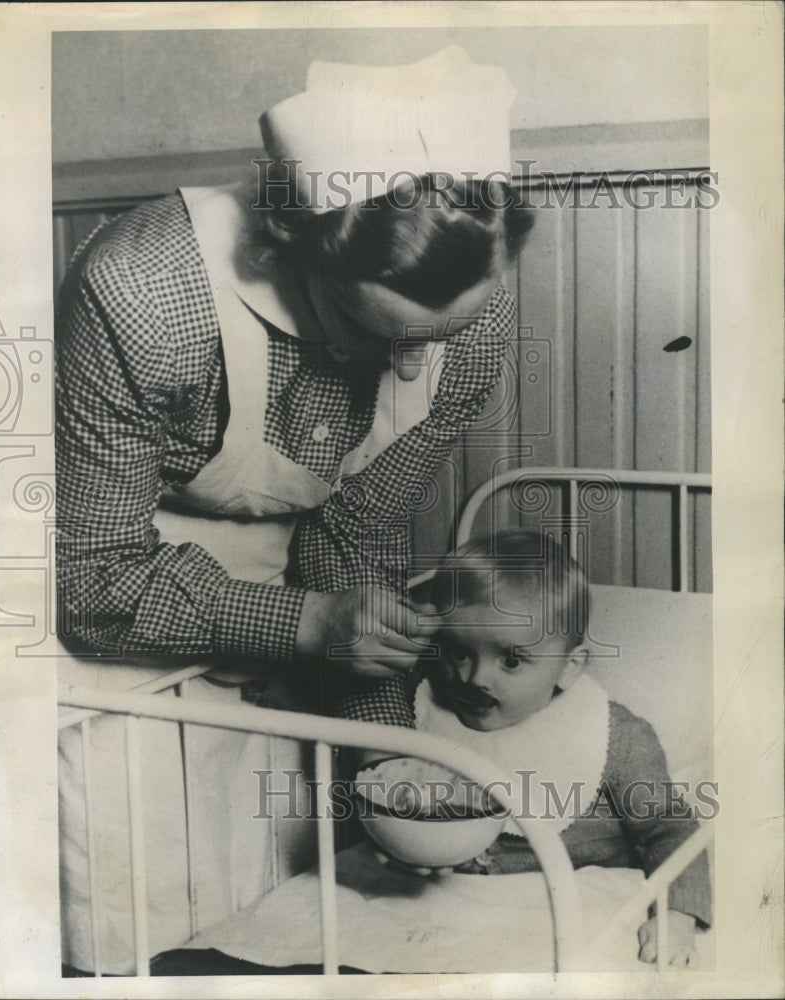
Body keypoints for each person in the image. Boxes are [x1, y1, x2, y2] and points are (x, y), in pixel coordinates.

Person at [55, 46, 534, 973]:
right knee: (130, 915)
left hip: (288, 619)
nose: (405, 368)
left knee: (264, 901)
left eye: (432, 341)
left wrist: (389, 751)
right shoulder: (149, 291)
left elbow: (353, 532)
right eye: (371, 331)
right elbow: (87, 578)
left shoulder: (471, 317)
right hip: (104, 620)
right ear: (286, 243)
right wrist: (308, 625)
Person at [339, 530, 712, 968]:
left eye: (512, 660)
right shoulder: (413, 711)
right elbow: (384, 795)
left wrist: (676, 915)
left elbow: (670, 831)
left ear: (568, 668)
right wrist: (396, 842)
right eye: (458, 652)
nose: (474, 678)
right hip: (445, 906)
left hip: (567, 899)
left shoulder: (616, 736)